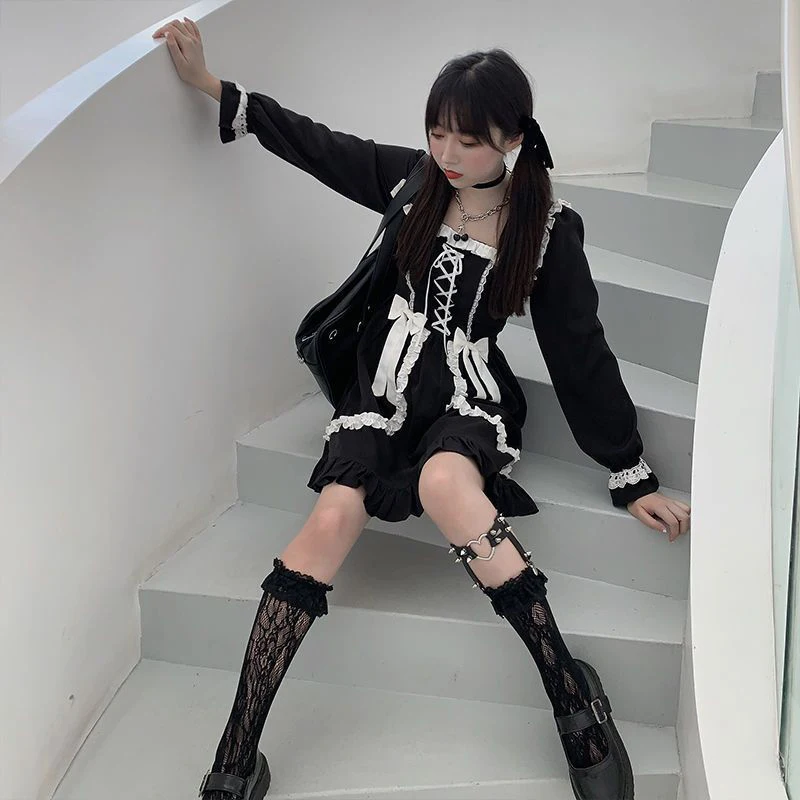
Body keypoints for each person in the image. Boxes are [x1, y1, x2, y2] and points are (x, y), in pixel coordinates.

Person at [153, 17, 691, 800]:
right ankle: (237, 753)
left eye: (467, 140)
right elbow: (320, 146)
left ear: (512, 138)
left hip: (466, 390)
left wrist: (629, 470)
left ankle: (572, 697)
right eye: (437, 132)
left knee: (445, 485)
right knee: (332, 516)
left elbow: (579, 352)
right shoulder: (414, 182)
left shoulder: (545, 230)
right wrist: (213, 87)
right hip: (383, 388)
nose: (447, 153)